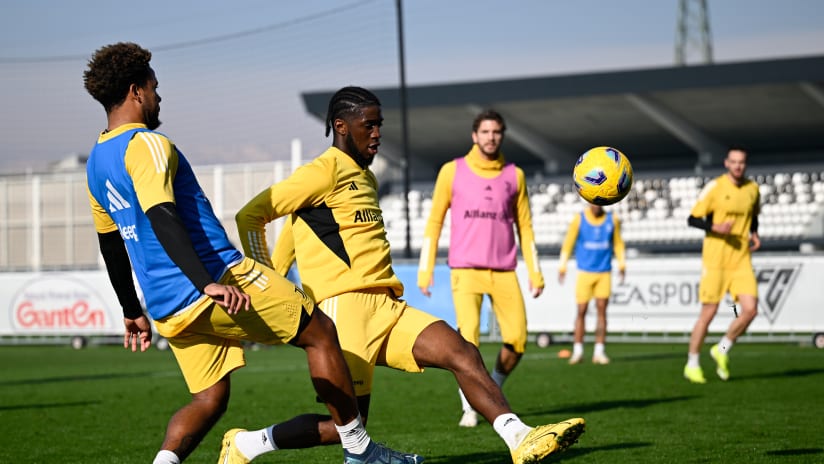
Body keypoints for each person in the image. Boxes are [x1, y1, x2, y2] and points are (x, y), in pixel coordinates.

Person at [83, 43, 420, 464]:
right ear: (136, 91)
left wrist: (131, 308)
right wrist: (206, 282)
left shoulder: (97, 161)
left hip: (167, 306)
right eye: (154, 86)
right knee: (321, 332)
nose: (158, 95)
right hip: (217, 279)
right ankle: (360, 450)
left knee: (210, 398)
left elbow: (111, 241)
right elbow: (163, 215)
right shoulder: (148, 144)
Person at [235, 86, 585, 464]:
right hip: (343, 313)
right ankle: (247, 445)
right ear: (341, 126)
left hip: (386, 308)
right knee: (348, 427)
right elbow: (251, 215)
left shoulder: (365, 179)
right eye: (368, 125)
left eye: (379, 125)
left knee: (461, 351)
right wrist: (267, 282)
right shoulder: (321, 171)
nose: (377, 133)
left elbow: (297, 230)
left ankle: (520, 438)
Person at [416, 109, 544, 428]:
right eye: (485, 132)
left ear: (502, 135)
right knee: (468, 341)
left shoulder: (515, 176)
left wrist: (536, 272)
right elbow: (434, 222)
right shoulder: (452, 171)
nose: (491, 137)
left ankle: (492, 388)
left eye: (496, 132)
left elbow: (525, 227)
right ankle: (470, 406)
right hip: (465, 270)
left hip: (504, 271)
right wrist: (425, 268)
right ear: (474, 136)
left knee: (517, 341)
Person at [683, 148, 761, 384]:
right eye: (734, 162)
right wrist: (715, 228)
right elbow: (692, 219)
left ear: (745, 164)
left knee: (750, 310)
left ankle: (722, 348)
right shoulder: (715, 187)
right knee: (709, 312)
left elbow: (754, 214)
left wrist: (754, 233)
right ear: (727, 163)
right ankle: (692, 363)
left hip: (741, 259)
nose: (738, 166)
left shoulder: (752, 189)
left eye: (742, 162)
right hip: (715, 260)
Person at [557, 203, 626, 365]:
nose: (596, 205)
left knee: (602, 311)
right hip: (584, 272)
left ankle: (599, 351)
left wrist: (622, 265)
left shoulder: (612, 219)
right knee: (581, 310)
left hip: (604, 272)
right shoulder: (579, 219)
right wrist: (562, 266)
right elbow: (568, 244)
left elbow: (618, 243)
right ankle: (578, 351)